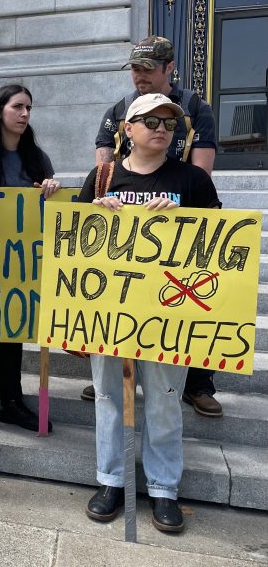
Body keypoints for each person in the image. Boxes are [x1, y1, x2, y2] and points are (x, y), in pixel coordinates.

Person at [78, 92, 221, 533]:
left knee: (164, 402)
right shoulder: (102, 177)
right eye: (151, 121)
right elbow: (75, 242)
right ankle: (111, 480)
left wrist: (186, 219)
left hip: (168, 315)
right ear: (128, 129)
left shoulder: (193, 180)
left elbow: (219, 244)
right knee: (108, 398)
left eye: (169, 123)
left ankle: (163, 488)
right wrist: (96, 213)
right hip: (111, 313)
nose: (162, 129)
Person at [89, 36, 222, 417]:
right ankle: (112, 365)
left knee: (186, 302)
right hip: (127, 230)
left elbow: (201, 173)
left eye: (148, 68)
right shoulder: (119, 110)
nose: (139, 75)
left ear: (170, 68)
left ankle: (197, 383)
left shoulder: (195, 109)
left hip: (176, 217)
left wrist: (178, 201)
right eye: (135, 68)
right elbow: (104, 168)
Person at [0, 84, 61, 437]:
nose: (24, 114)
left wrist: (51, 190)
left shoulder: (37, 158)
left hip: (21, 254)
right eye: (17, 107)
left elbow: (48, 205)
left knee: (12, 327)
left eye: (29, 108)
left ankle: (11, 402)